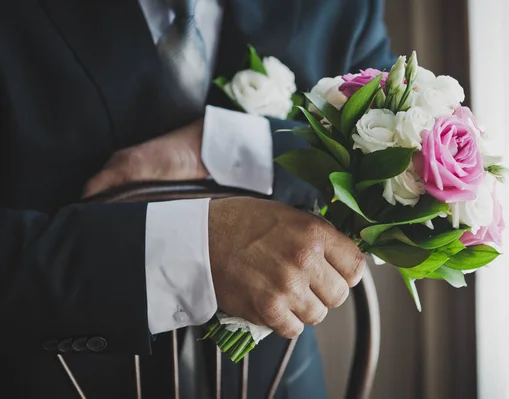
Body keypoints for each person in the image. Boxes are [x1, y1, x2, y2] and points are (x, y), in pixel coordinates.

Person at [0, 0, 396, 397]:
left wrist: (224, 147)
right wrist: (199, 252)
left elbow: (402, 161)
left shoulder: (340, 8)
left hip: (277, 379)